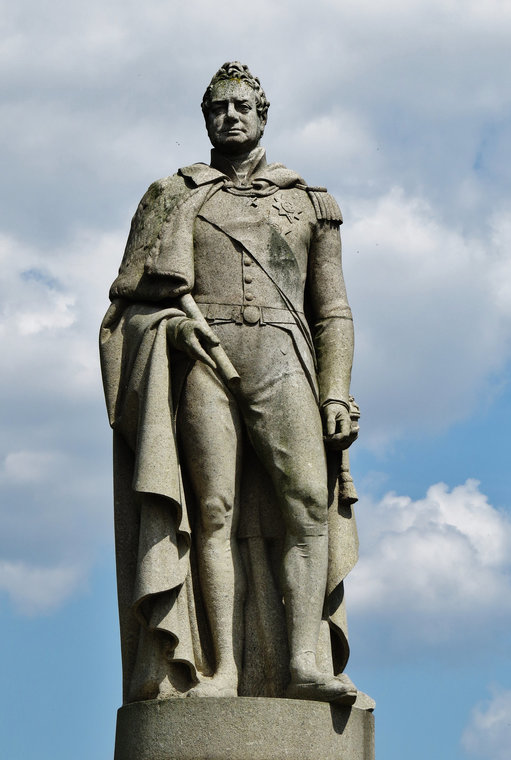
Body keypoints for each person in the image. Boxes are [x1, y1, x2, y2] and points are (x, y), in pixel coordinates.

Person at [100, 62, 360, 706]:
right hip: (204, 360)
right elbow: (126, 304)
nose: (231, 116)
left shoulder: (308, 202)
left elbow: (332, 311)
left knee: (305, 505)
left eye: (243, 106)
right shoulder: (174, 194)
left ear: (263, 114)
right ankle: (222, 672)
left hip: (283, 357)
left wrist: (336, 390)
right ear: (206, 117)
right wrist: (170, 328)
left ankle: (304, 660)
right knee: (212, 513)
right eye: (219, 108)